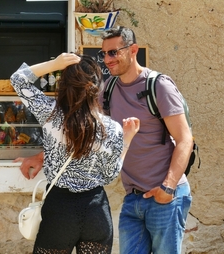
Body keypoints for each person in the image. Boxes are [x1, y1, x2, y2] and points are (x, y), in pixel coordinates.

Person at [17, 26, 193, 254]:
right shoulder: (107, 89)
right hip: (131, 198)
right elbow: (81, 131)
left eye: (113, 52)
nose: (107, 59)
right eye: (103, 54)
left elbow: (185, 139)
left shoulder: (158, 86)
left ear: (133, 50)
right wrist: (44, 155)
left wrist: (167, 188)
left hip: (164, 196)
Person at [10, 54, 140, 254]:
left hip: (60, 211)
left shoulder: (51, 114)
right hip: (96, 211)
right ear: (97, 87)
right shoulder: (111, 128)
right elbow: (110, 175)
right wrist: (127, 140)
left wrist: (55, 63)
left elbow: (18, 79)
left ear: (64, 85)